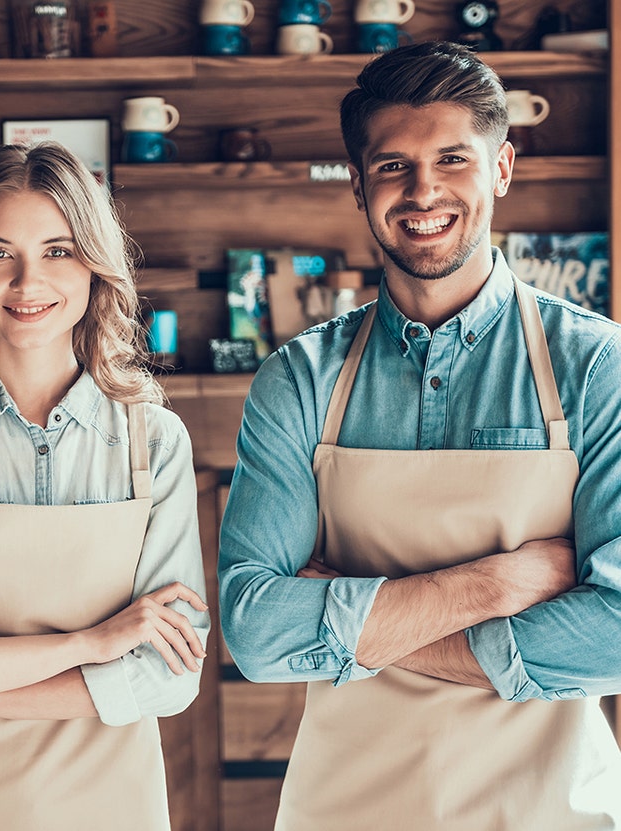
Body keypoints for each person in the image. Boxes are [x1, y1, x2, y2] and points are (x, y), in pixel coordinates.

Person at [218, 41, 621, 830]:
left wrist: (364, 628)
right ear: (360, 184)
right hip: (343, 811)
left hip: (547, 813)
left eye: (452, 158)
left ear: (501, 168)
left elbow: (614, 633)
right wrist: (491, 586)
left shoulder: (594, 366)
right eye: (393, 165)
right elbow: (257, 632)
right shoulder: (297, 380)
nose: (423, 190)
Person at [0, 142, 209, 831]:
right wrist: (94, 642)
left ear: (95, 263)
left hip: (113, 809)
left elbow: (170, 676)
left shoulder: (156, 443)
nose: (28, 282)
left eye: (58, 250)